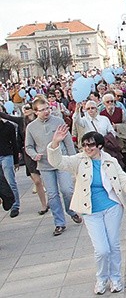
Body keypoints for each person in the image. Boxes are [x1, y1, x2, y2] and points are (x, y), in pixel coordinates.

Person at [48, 128, 126, 294]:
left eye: (91, 145)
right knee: (101, 249)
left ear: (99, 146)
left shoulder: (110, 161)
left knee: (113, 245)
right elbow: (58, 162)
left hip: (111, 207)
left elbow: (123, 182)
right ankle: (101, 278)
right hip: (90, 210)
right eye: (84, 145)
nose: (87, 148)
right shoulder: (79, 160)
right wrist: (55, 143)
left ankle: (115, 278)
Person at [25, 96, 82, 236]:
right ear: (36, 112)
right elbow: (28, 146)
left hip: (61, 161)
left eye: (47, 108)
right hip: (45, 164)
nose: (46, 112)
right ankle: (59, 223)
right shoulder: (31, 127)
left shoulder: (58, 121)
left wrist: (73, 159)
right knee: (52, 195)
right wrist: (34, 155)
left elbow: (68, 141)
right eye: (42, 110)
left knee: (67, 190)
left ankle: (71, 210)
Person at [0, 108, 20, 218]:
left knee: (10, 181)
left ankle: (15, 205)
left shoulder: (8, 126)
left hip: (7, 155)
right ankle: (6, 200)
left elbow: (14, 144)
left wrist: (16, 160)